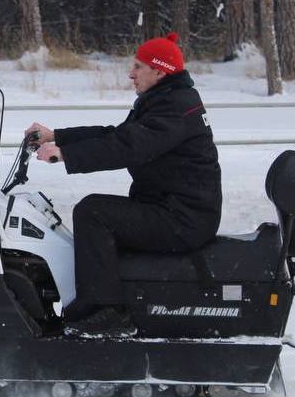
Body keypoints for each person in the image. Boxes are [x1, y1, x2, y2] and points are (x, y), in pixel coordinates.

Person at [26, 32, 221, 337]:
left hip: (183, 218)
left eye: (138, 67)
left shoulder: (175, 107)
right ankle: (100, 299)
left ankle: (108, 313)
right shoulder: (167, 99)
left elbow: (130, 146)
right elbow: (117, 134)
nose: (131, 73)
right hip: (174, 208)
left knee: (94, 213)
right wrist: (58, 136)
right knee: (98, 213)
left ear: (160, 71)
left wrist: (66, 155)